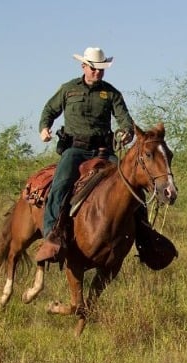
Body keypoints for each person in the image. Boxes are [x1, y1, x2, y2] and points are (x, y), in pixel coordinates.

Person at [35, 46, 136, 263]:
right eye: (93, 68)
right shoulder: (68, 89)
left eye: (101, 69)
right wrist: (44, 128)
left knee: (129, 183)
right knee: (61, 183)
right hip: (76, 150)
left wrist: (128, 132)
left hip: (104, 150)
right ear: (84, 66)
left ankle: (144, 237)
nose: (97, 73)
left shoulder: (111, 93)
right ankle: (51, 235)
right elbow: (49, 110)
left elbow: (124, 118)